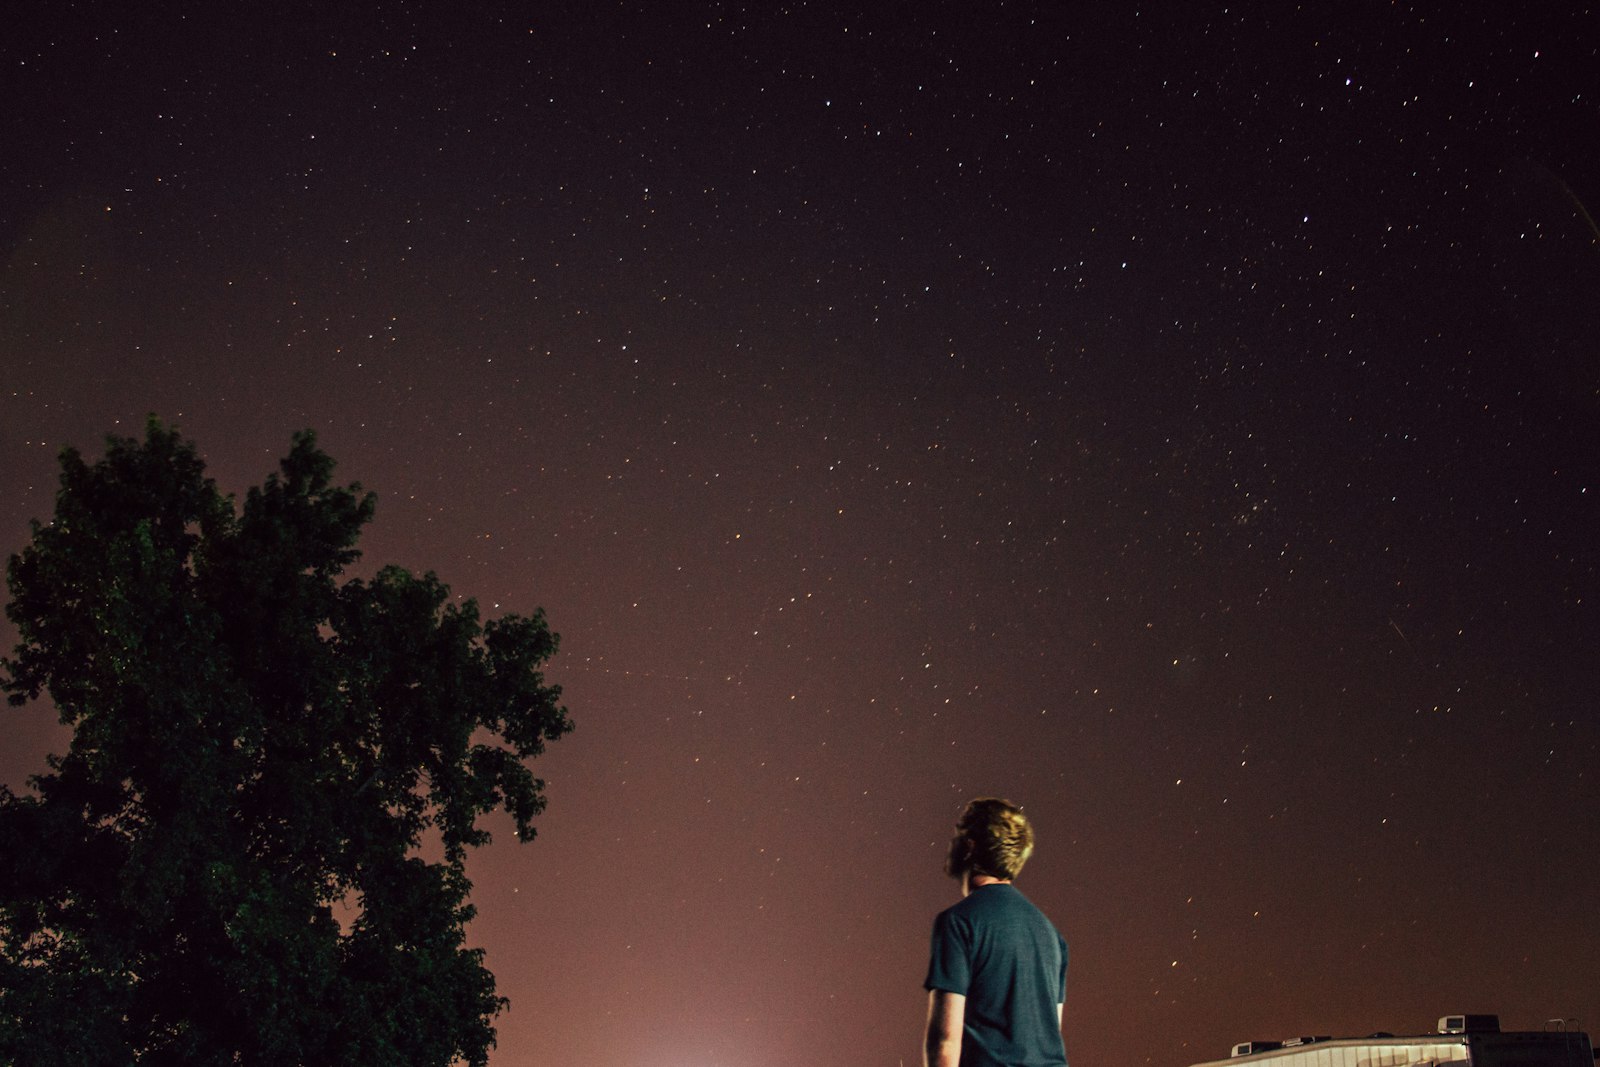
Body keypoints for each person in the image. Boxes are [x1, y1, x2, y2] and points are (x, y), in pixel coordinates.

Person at [923, 797, 1068, 1067]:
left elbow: (945, 1041)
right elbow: (1049, 1031)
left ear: (969, 847)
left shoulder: (958, 923)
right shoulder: (1052, 936)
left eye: (956, 836)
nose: (950, 844)